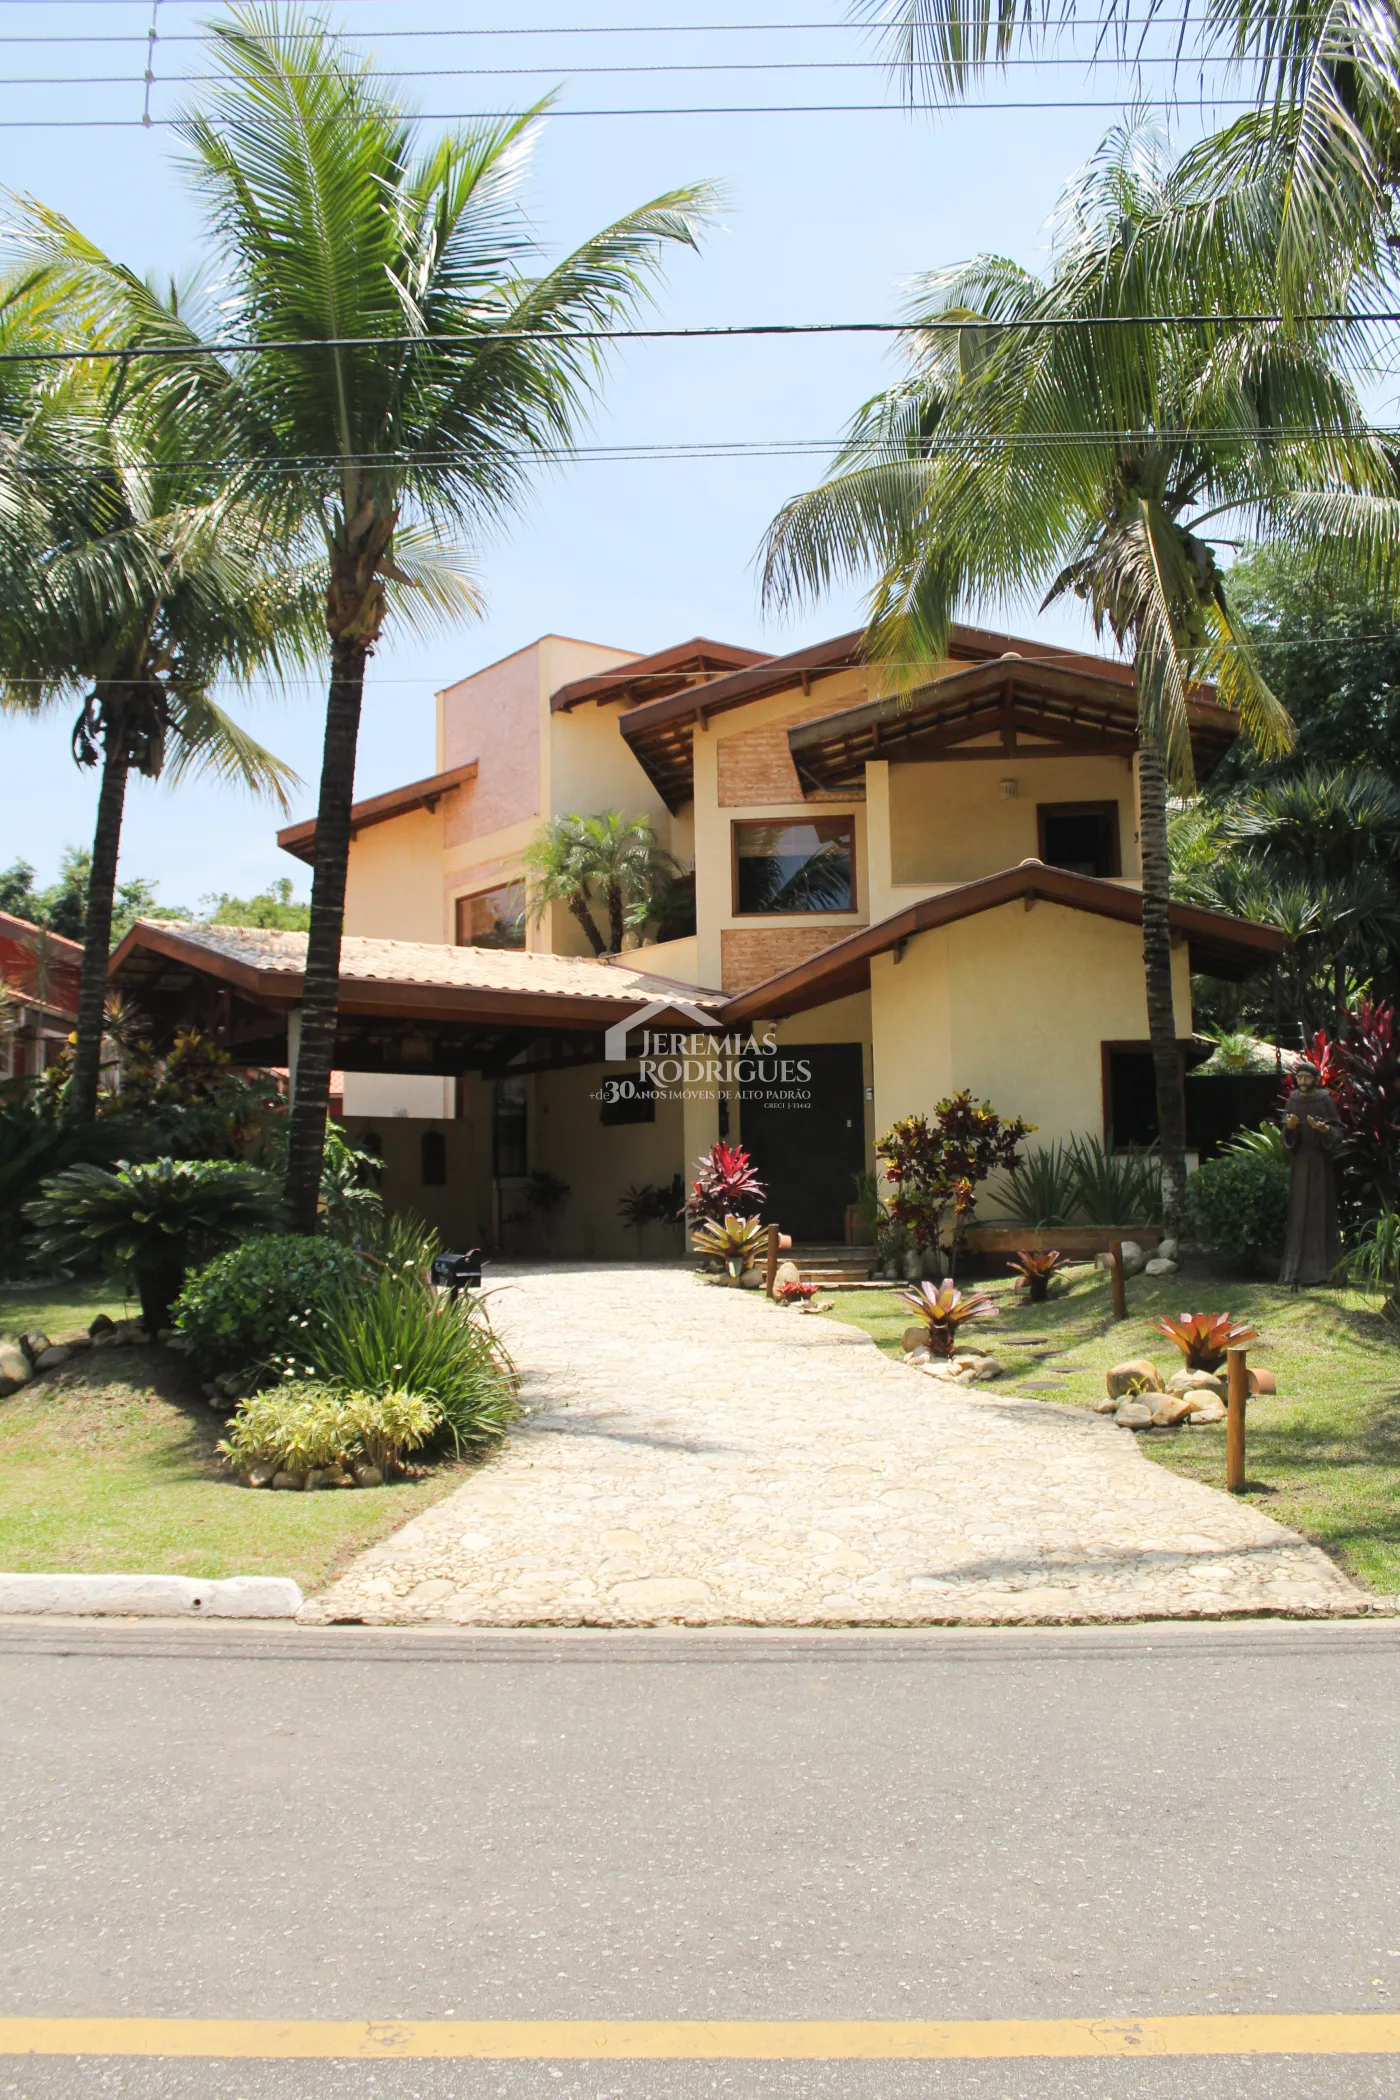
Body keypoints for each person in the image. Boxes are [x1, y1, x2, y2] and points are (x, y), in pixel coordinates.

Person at [1278, 1064, 1342, 1288]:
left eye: (1307, 1077)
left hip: (1320, 1165)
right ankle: (1294, 1271)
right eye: (1299, 1077)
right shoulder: (1293, 1100)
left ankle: (1325, 1271)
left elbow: (1338, 1131)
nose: (1302, 1081)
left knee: (1320, 1211)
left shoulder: (1324, 1100)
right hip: (1300, 1165)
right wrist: (1292, 1128)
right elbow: (1285, 1136)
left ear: (1316, 1079)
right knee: (1298, 1213)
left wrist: (1325, 1130)